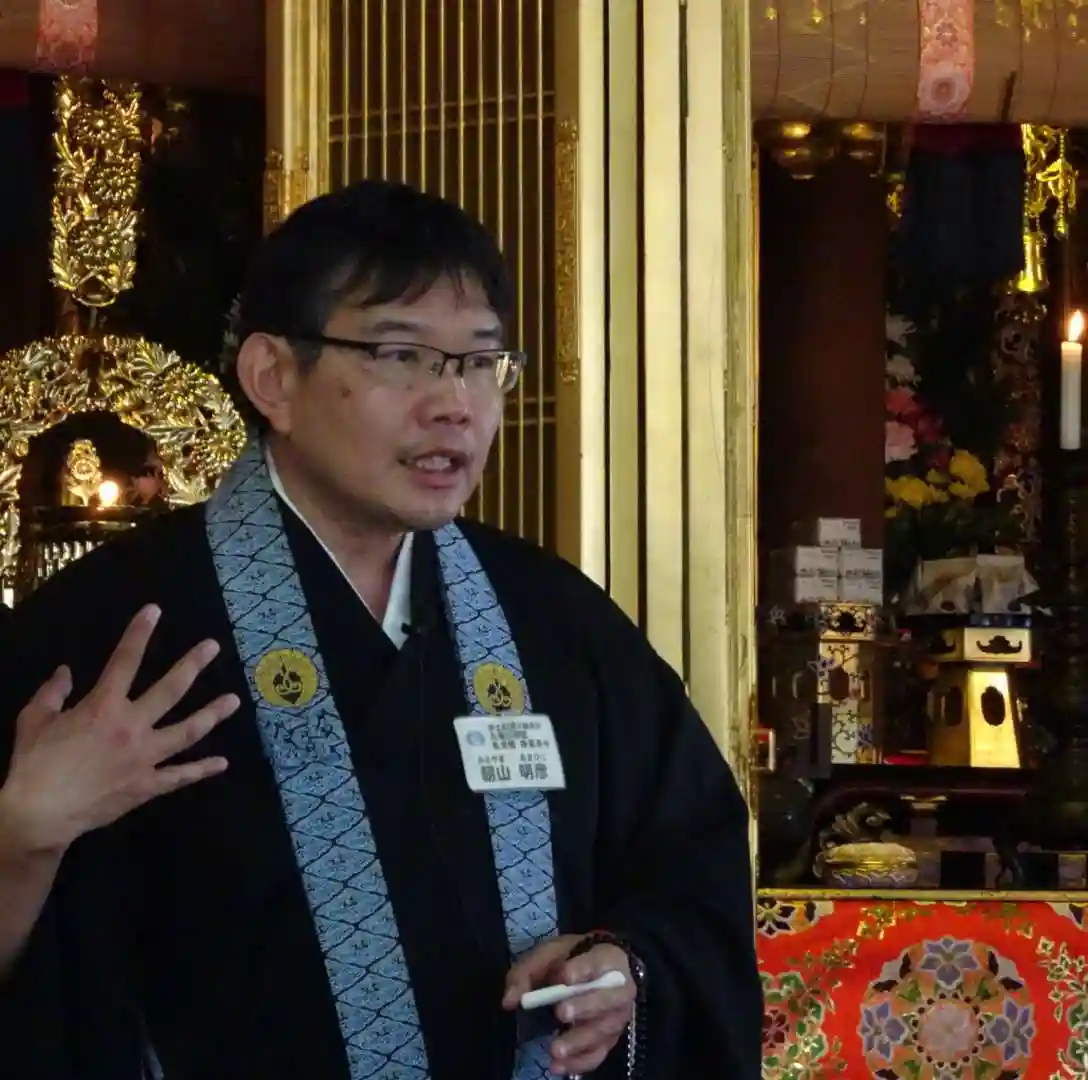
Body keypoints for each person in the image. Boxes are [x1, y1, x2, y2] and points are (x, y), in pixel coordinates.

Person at [0, 180, 761, 1080]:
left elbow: (692, 873)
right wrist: (21, 837)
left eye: (480, 362)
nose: (455, 404)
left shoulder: (556, 622)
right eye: (402, 355)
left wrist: (627, 970)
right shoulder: (111, 634)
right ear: (273, 378)